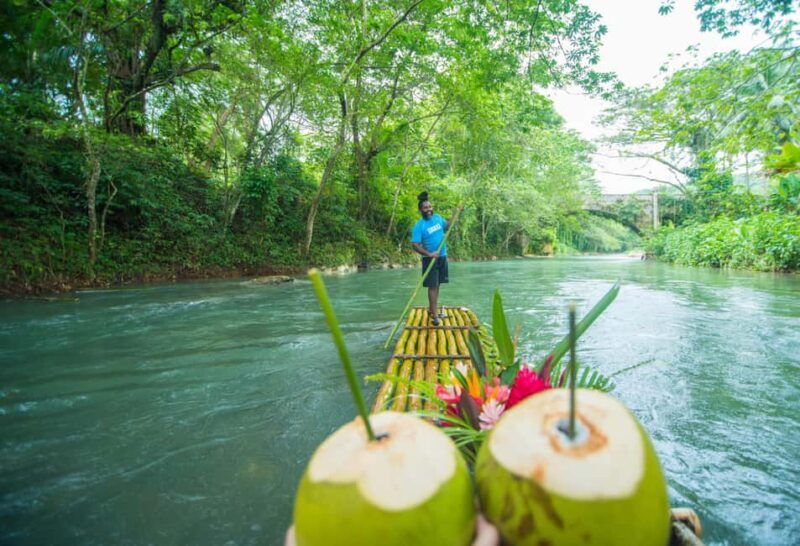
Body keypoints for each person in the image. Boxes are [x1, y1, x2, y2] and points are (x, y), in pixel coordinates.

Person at [411, 191, 450, 326]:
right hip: (430, 259)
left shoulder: (438, 218)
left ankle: (432, 308)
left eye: (430, 207)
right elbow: (415, 245)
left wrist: (456, 214)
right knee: (432, 287)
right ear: (421, 210)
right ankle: (434, 315)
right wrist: (429, 254)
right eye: (426, 207)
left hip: (442, 256)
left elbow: (447, 226)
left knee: (437, 284)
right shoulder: (419, 225)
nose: (429, 209)